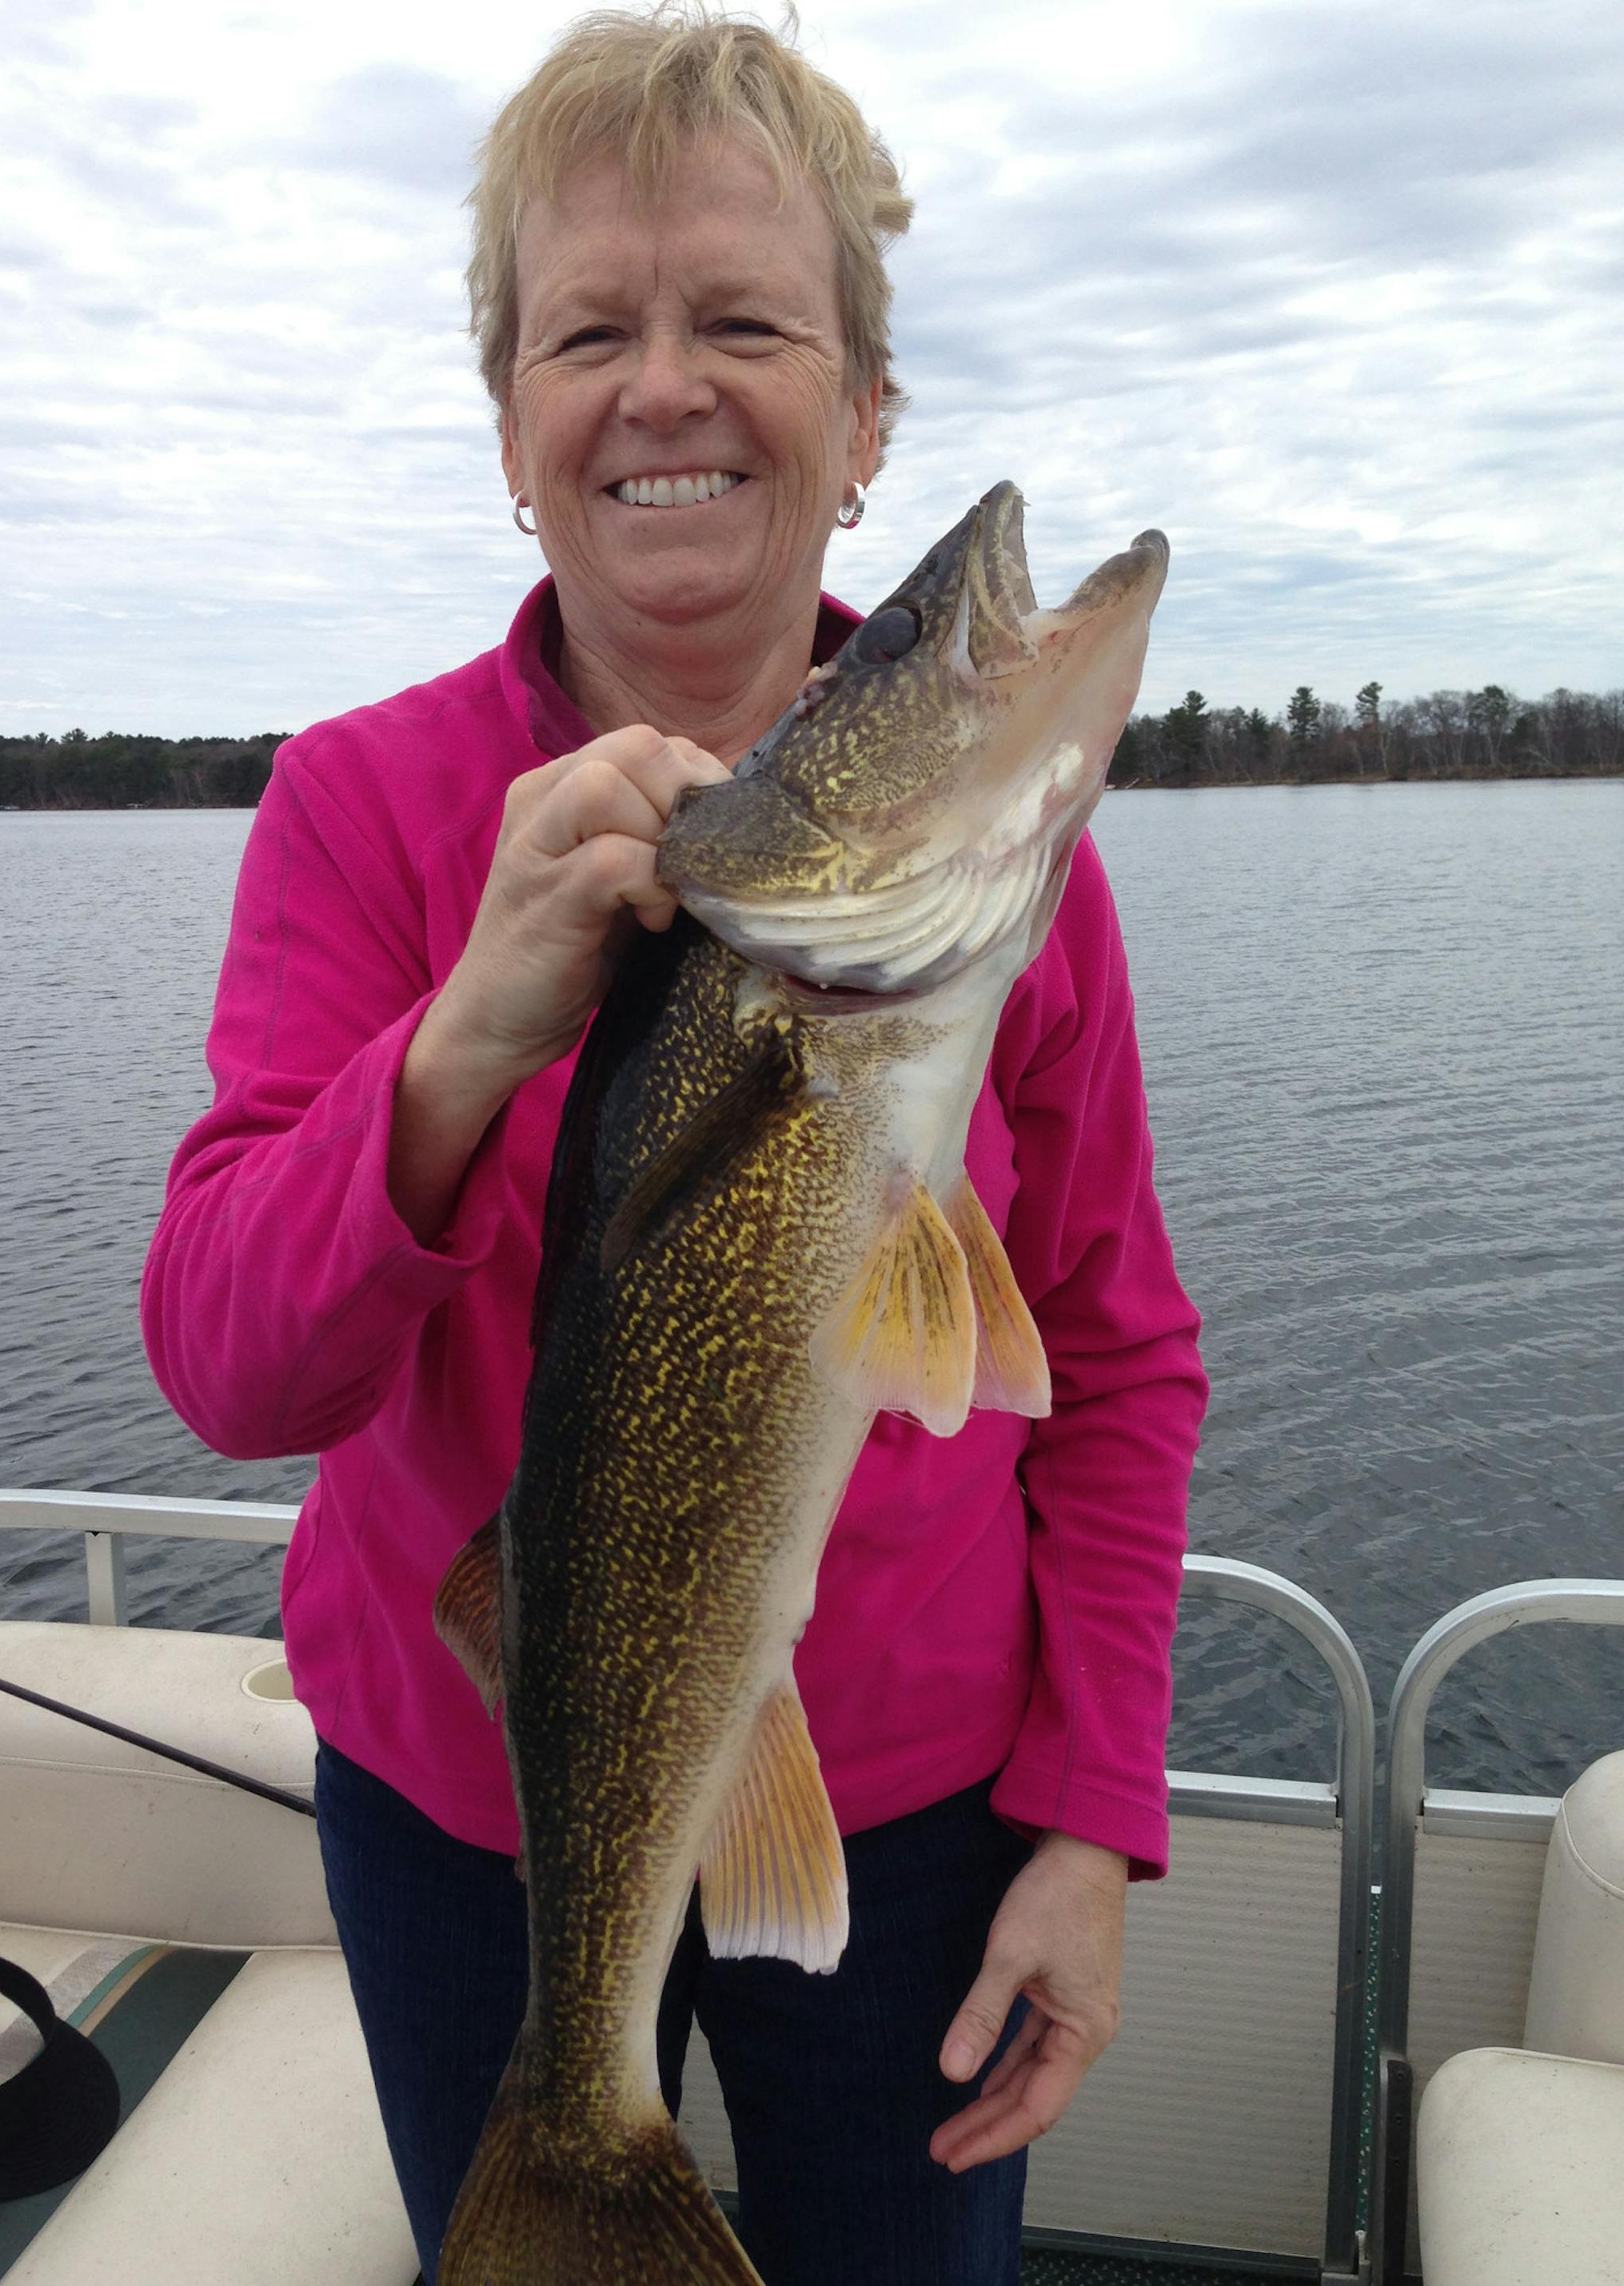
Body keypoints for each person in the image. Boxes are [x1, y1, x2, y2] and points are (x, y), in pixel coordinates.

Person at [142, 9, 1207, 2283]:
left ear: (862, 421)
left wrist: (1094, 1817)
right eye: (589, 332)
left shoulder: (1006, 903)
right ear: (514, 430)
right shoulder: (359, 807)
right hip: (469, 1802)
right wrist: (457, 1048)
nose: (665, 385)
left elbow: (1112, 1355)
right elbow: (233, 1369)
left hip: (921, 1815)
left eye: (746, 320)